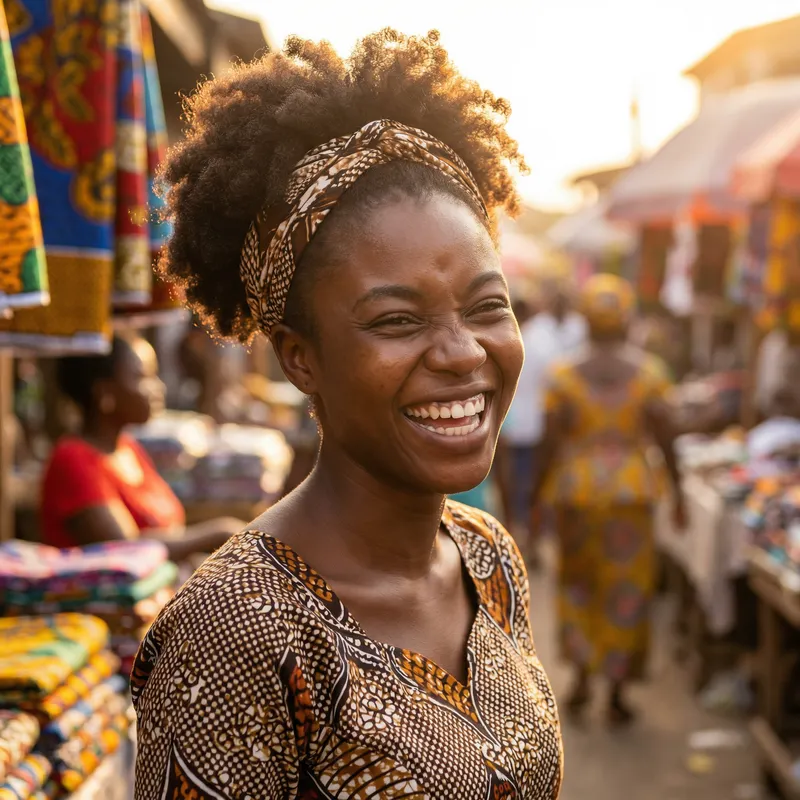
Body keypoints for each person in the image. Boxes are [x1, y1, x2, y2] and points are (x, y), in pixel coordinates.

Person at [131, 31, 562, 800]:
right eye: (398, 321)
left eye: (487, 306)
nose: (463, 353)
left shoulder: (487, 558)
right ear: (300, 358)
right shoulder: (234, 633)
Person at [529, 274, 685, 726]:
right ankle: (616, 693)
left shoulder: (562, 376)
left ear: (586, 320)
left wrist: (537, 498)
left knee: (578, 585)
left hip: (575, 492)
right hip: (631, 494)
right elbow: (667, 437)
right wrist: (677, 495)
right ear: (626, 319)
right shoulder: (651, 374)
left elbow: (547, 444)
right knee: (627, 590)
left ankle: (579, 681)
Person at [42, 334, 244, 559]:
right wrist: (218, 533)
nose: (158, 388)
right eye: (142, 377)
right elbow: (124, 548)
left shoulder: (127, 448)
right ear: (105, 392)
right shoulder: (73, 459)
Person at [497, 282, 586, 560]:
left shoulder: (537, 336)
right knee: (526, 485)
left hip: (529, 422)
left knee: (528, 485)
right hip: (526, 422)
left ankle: (526, 538)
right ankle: (525, 539)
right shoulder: (536, 336)